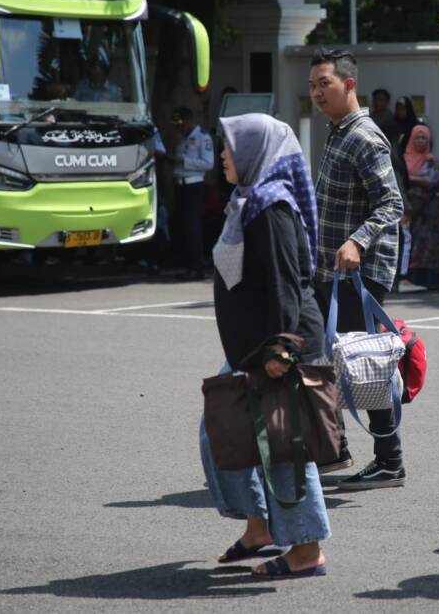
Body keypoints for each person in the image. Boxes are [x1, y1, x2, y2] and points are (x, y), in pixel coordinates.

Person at [200, 113, 329, 579]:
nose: (222, 155)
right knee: (221, 428)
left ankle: (306, 550)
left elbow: (284, 285)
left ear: (254, 152)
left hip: (278, 342)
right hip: (255, 344)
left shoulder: (269, 206)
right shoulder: (246, 201)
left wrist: (281, 350)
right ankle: (260, 527)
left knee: (285, 446)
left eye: (230, 146)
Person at [307, 48, 406, 490]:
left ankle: (388, 460)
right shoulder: (337, 132)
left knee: (362, 364)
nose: (316, 93)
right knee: (334, 360)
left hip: (358, 272)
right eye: (311, 86)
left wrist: (356, 241)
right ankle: (335, 450)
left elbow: (392, 203)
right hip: (333, 270)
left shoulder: (364, 136)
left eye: (323, 84)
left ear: (349, 85)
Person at [168, 107, 215, 280]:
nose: (178, 128)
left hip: (194, 186)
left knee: (193, 228)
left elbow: (208, 163)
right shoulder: (182, 138)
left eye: (181, 124)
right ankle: (188, 265)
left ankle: (198, 267)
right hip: (180, 185)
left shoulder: (202, 137)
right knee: (183, 227)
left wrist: (184, 161)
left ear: (189, 120)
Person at [404, 124, 439, 287]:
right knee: (409, 241)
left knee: (426, 243)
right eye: (418, 137)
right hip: (410, 207)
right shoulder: (404, 158)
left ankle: (426, 279)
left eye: (424, 138)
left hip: (428, 209)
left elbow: (432, 180)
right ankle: (407, 277)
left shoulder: (432, 160)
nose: (421, 141)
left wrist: (411, 178)